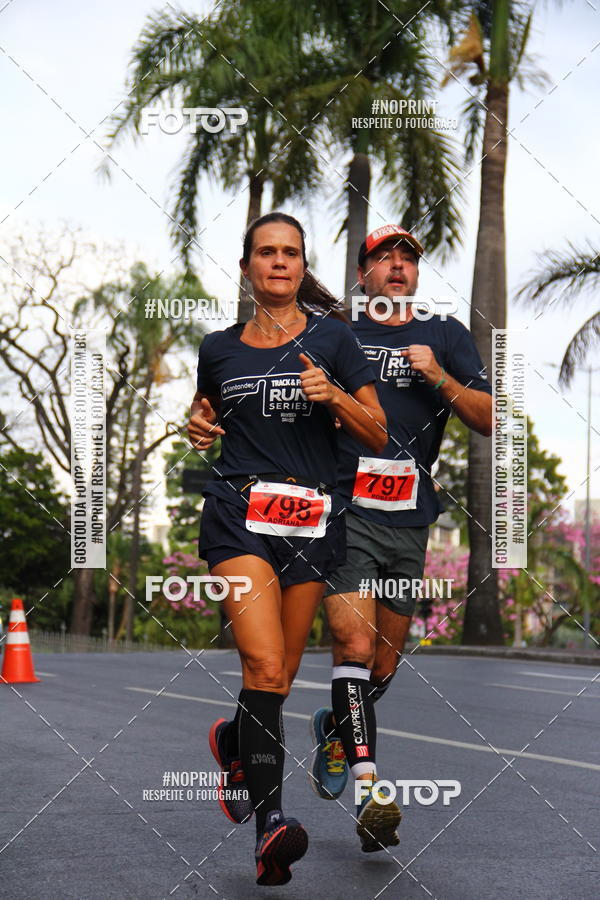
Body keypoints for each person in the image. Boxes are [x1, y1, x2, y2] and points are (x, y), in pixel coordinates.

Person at [187, 212, 387, 886]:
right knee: (263, 658)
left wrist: (333, 394)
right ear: (247, 266)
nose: (279, 262)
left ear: (303, 266)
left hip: (312, 519)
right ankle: (272, 826)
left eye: (291, 254)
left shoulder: (334, 339)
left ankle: (235, 742)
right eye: (266, 252)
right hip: (239, 514)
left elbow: (378, 434)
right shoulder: (218, 347)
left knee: (273, 681)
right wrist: (197, 424)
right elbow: (207, 412)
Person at [308, 224, 493, 852]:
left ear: (416, 273)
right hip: (346, 509)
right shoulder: (337, 336)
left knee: (383, 663)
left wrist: (438, 375)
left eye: (406, 258)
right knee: (352, 644)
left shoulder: (444, 336)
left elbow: (489, 418)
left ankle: (337, 728)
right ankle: (369, 790)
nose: (395, 266)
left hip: (410, 517)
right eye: (382, 257)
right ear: (364, 275)